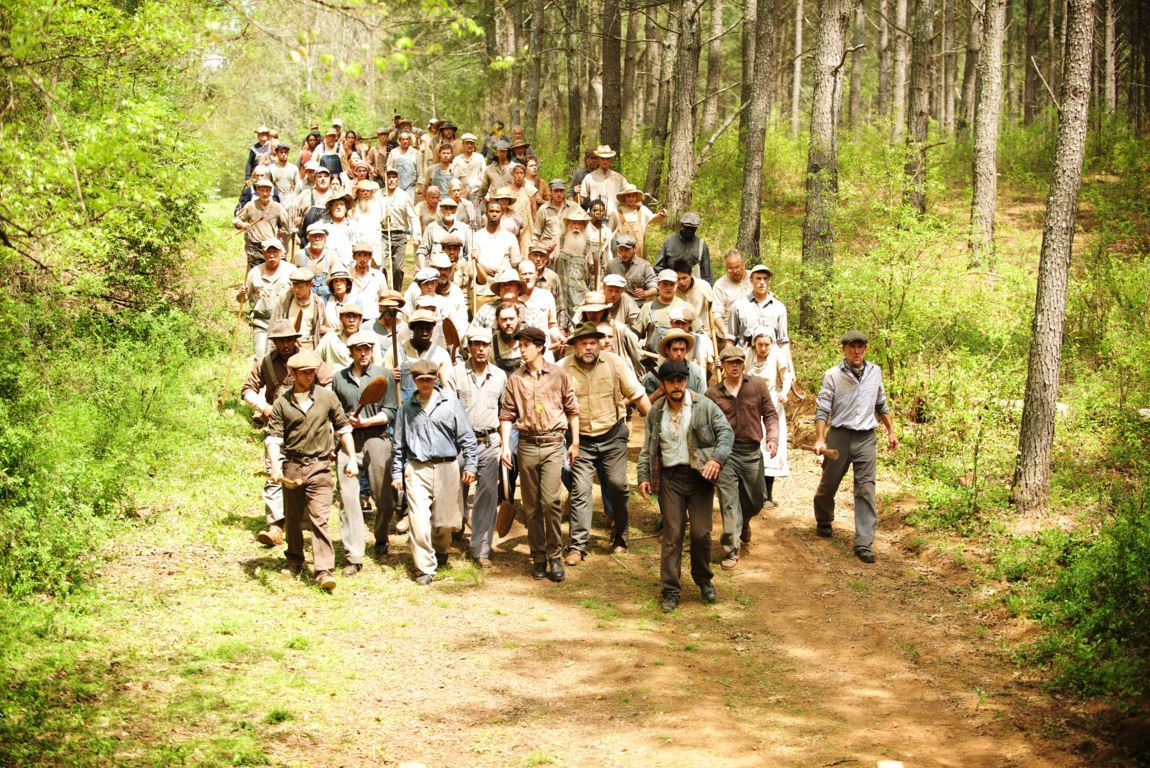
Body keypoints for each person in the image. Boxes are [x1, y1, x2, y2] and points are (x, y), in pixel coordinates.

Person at [637, 360, 733, 613]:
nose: (677, 386)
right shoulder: (656, 412)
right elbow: (647, 447)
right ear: (664, 384)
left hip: (700, 477)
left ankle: (703, 580)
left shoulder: (705, 406)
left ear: (686, 381)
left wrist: (716, 458)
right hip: (670, 478)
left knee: (702, 534)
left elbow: (726, 433)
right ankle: (670, 589)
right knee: (672, 535)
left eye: (681, 380)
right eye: (671, 381)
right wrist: (643, 476)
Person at [265, 350, 359, 592]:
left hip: (320, 466)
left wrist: (351, 459)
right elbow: (273, 438)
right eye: (304, 373)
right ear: (293, 374)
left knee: (320, 518)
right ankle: (294, 559)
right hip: (292, 468)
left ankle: (323, 570)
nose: (309, 377)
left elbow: (344, 428)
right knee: (293, 518)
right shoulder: (282, 403)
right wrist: (275, 466)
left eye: (312, 372)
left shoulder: (327, 398)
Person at [558, 323, 650, 562]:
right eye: (583, 343)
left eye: (592, 343)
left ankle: (620, 534)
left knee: (618, 485)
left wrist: (657, 425)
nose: (589, 347)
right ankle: (577, 546)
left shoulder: (614, 363)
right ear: (574, 346)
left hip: (612, 434)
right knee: (580, 490)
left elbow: (638, 394)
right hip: (580, 440)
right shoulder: (562, 369)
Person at [241, 320, 334, 549]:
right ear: (274, 342)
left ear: (295, 339)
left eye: (288, 339)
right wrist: (263, 407)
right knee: (274, 471)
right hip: (278, 423)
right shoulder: (266, 363)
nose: (285, 344)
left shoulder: (310, 360)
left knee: (308, 472)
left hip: (308, 427)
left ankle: (304, 521)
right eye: (280, 340)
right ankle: (275, 526)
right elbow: (247, 391)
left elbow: (328, 386)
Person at [499, 326, 579, 582]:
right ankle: (539, 557)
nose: (522, 349)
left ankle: (555, 557)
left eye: (526, 344)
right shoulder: (515, 379)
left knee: (551, 502)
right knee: (532, 506)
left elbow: (572, 410)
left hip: (554, 443)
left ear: (540, 346)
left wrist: (574, 442)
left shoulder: (559, 375)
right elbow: (507, 415)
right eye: (520, 345)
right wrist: (503, 446)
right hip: (527, 444)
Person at [812, 330, 898, 564]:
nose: (856, 351)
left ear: (866, 349)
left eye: (860, 347)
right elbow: (822, 409)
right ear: (844, 350)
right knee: (829, 482)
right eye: (852, 347)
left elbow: (881, 403)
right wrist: (820, 438)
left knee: (866, 489)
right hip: (839, 436)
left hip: (866, 437)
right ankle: (823, 519)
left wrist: (891, 431)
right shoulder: (832, 375)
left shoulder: (875, 372)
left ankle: (863, 542)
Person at [391, 359, 478, 585]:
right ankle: (425, 568)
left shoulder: (451, 404)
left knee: (445, 521)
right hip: (417, 467)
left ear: (436, 379)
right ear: (414, 381)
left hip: (447, 465)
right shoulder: (406, 409)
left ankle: (441, 550)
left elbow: (467, 437)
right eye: (421, 380)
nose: (425, 384)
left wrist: (470, 465)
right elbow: (398, 444)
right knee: (418, 520)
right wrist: (396, 474)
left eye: (429, 379)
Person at [707, 345, 778, 569]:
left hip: (752, 452)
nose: (735, 366)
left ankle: (745, 520)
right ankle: (731, 549)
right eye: (730, 363)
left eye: (738, 362)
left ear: (743, 364)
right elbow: (705, 425)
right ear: (724, 366)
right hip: (725, 454)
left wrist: (772, 438)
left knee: (757, 499)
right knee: (729, 503)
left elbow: (770, 414)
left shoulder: (757, 386)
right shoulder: (713, 393)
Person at [330, 332, 395, 572]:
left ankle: (381, 537)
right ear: (351, 352)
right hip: (348, 442)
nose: (363, 352)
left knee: (384, 499)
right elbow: (333, 413)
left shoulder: (383, 375)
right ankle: (354, 556)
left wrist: (366, 423)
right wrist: (338, 433)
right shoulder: (339, 379)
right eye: (358, 349)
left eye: (367, 348)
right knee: (348, 498)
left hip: (377, 439)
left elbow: (390, 411)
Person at [453, 328, 507, 567]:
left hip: (489, 441)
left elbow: (506, 411)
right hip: (461, 443)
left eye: (485, 344)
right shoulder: (456, 374)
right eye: (476, 344)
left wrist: (505, 443)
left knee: (487, 495)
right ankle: (455, 526)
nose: (481, 349)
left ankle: (481, 548)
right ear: (469, 347)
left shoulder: (500, 376)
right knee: (454, 491)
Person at [238, 239, 295, 361]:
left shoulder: (291, 271)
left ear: (281, 253)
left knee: (286, 357)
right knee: (260, 357)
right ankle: (260, 379)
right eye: (268, 252)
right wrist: (241, 294)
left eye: (275, 252)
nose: (272, 255)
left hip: (284, 322)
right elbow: (242, 299)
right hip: (262, 322)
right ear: (263, 254)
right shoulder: (254, 272)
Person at [727, 264, 790, 357]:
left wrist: (789, 369)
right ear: (751, 280)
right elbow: (730, 339)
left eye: (765, 278)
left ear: (769, 280)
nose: (762, 282)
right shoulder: (738, 307)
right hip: (745, 359)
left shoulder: (779, 308)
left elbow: (783, 342)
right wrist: (727, 362)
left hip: (771, 361)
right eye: (758, 278)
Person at [234, 178, 292, 270]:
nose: (265, 193)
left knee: (279, 269)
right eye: (262, 190)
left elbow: (287, 225)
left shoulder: (277, 207)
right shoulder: (250, 205)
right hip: (255, 245)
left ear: (271, 191)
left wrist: (287, 230)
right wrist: (242, 224)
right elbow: (236, 220)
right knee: (257, 271)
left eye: (267, 191)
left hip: (271, 244)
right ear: (257, 191)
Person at [632, 269, 693, 356]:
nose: (668, 288)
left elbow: (699, 333)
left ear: (676, 285)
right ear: (658, 285)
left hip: (680, 361)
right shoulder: (648, 308)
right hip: (654, 361)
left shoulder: (686, 307)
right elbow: (635, 335)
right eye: (665, 284)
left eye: (671, 284)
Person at [379, 167, 422, 290]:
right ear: (385, 179)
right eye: (389, 177)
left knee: (397, 268)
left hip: (399, 234)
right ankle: (384, 292)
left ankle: (396, 294)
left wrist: (416, 235)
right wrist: (383, 217)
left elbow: (413, 217)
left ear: (397, 179)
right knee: (381, 266)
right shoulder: (379, 195)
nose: (391, 180)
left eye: (394, 177)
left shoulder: (404, 196)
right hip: (382, 235)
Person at [555, 207, 594, 331]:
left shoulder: (587, 241)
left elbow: (591, 265)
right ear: (569, 224)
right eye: (574, 223)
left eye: (579, 223)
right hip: (562, 280)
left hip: (579, 283)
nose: (577, 226)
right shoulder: (561, 238)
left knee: (579, 306)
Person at [472, 200, 521, 295]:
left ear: (502, 214)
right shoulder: (476, 236)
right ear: (486, 214)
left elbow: (515, 264)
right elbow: (471, 261)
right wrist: (483, 268)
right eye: (491, 211)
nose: (494, 214)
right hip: (482, 291)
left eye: (497, 212)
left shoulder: (510, 237)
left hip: (504, 289)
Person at [272, 267, 326, 350]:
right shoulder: (285, 298)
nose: (296, 290)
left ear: (310, 285)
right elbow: (274, 326)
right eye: (294, 285)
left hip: (308, 345)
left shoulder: (318, 303)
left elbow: (318, 331)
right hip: (287, 345)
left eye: (300, 287)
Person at [655, 212, 713, 284]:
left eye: (693, 228)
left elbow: (706, 273)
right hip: (672, 285)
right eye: (687, 227)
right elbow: (658, 267)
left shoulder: (701, 245)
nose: (690, 230)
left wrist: (709, 289)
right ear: (682, 225)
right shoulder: (670, 242)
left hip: (694, 287)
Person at [609, 184, 666, 257]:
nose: (631, 198)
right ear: (624, 197)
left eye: (633, 196)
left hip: (639, 251)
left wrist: (661, 215)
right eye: (628, 196)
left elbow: (653, 220)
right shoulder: (616, 212)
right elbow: (609, 233)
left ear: (636, 197)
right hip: (622, 253)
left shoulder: (643, 210)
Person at [711, 249, 751, 346]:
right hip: (728, 332)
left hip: (751, 331)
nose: (735, 271)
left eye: (737, 267)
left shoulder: (753, 278)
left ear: (743, 263)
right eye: (730, 268)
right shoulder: (720, 285)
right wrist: (726, 333)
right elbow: (716, 315)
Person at [533, 179, 582, 253]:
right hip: (548, 249)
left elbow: (583, 224)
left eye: (561, 191)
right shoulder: (543, 209)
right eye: (556, 191)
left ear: (564, 192)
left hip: (567, 249)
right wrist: (539, 247)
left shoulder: (573, 207)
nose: (559, 194)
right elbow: (536, 233)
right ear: (550, 191)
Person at [605, 234, 657, 302]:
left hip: (637, 305)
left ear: (635, 248)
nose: (623, 254)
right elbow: (604, 285)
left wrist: (645, 293)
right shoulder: (612, 265)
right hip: (616, 304)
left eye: (627, 250)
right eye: (621, 250)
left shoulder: (644, 266)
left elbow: (655, 289)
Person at [578, 145, 628, 214]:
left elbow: (629, 192)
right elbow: (582, 198)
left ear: (610, 160)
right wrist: (576, 195)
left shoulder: (619, 178)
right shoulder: (589, 178)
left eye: (607, 159)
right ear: (598, 160)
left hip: (613, 216)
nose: (605, 162)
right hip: (595, 218)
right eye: (602, 158)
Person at [347, 242, 387, 324]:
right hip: (352, 319)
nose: (362, 259)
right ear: (354, 257)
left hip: (373, 319)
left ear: (370, 257)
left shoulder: (378, 276)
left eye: (365, 255)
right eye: (359, 255)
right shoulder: (347, 275)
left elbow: (385, 299)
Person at [386, 131, 423, 197]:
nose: (405, 141)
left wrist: (420, 184)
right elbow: (389, 168)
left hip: (410, 184)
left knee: (409, 203)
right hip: (396, 184)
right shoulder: (394, 152)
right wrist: (389, 181)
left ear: (409, 140)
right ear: (399, 141)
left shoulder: (415, 153)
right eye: (403, 139)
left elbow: (420, 170)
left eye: (407, 139)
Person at [451, 133, 487, 200]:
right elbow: (453, 178)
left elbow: (484, 176)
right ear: (463, 144)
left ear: (474, 145)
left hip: (476, 192)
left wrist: (470, 187)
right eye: (467, 143)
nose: (469, 145)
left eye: (471, 143)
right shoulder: (457, 159)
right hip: (460, 194)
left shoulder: (479, 158)